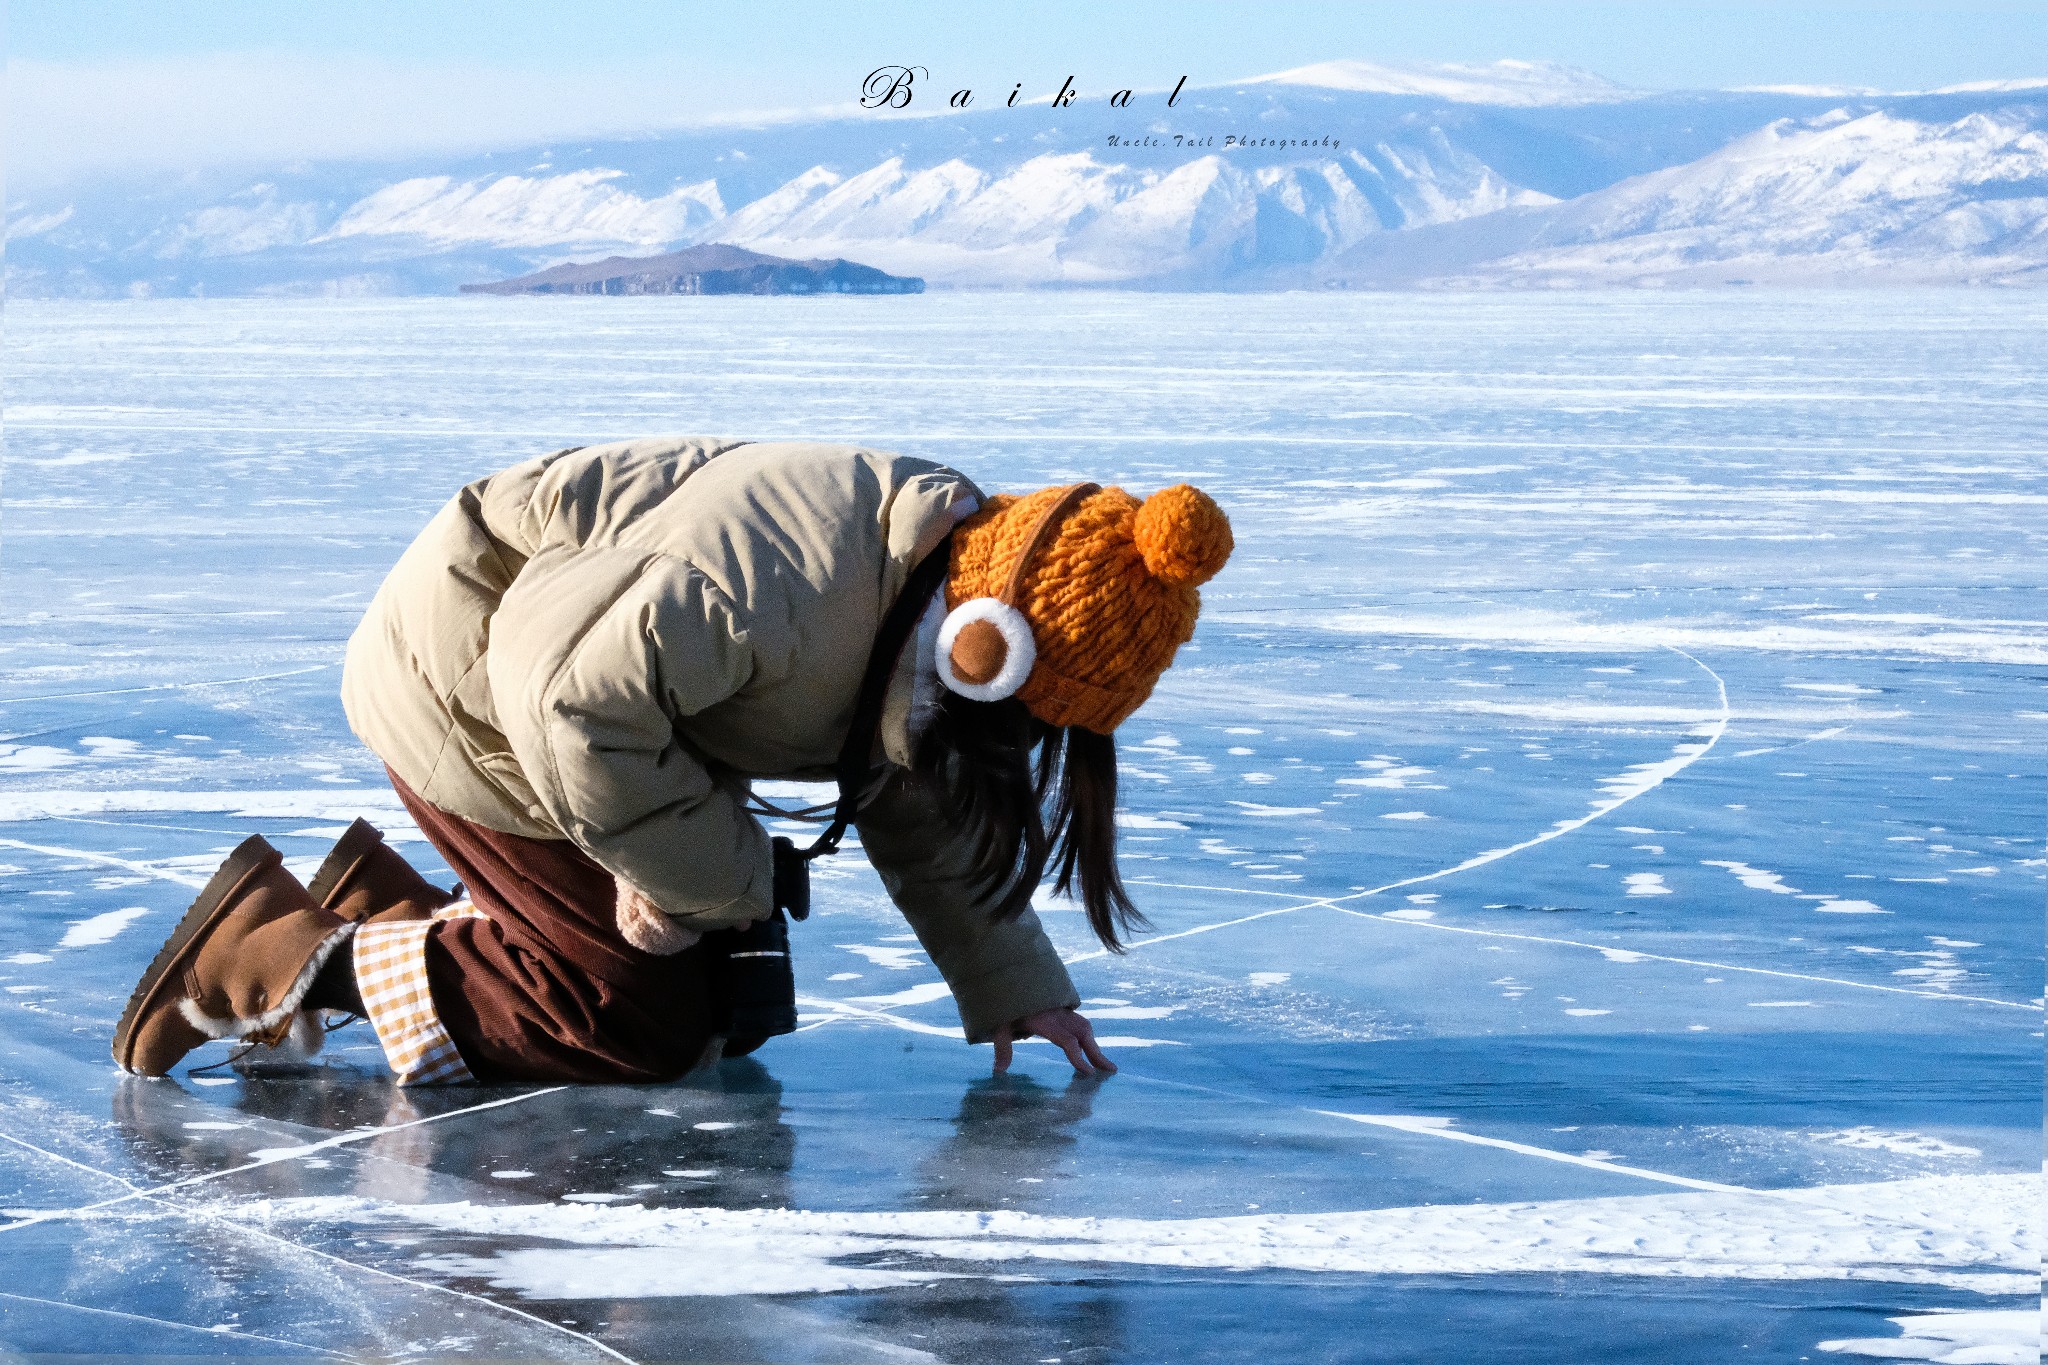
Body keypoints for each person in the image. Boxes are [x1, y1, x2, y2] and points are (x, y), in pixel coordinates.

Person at [112, 436, 1233, 1087]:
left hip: (609, 725)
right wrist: (722, 879)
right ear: (984, 650)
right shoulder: (763, 584)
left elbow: (914, 779)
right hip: (470, 697)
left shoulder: (933, 593)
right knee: (624, 1022)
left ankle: (410, 917)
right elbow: (568, 704)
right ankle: (278, 953)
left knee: (730, 1008)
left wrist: (1007, 989)